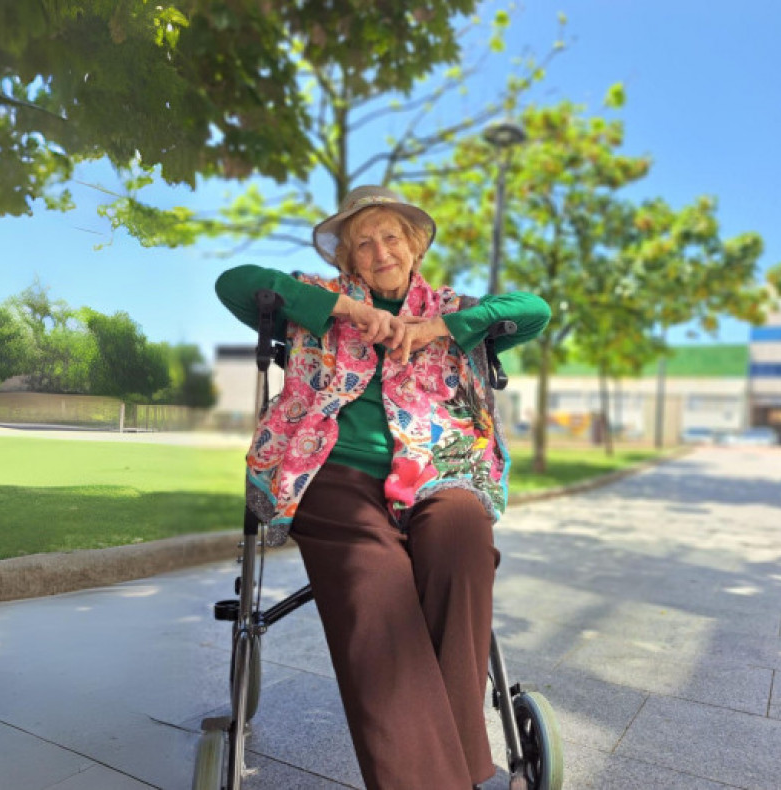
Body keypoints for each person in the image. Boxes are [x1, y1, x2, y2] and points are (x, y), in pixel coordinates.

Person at [215, 185, 550, 790]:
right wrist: (349, 313)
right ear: (346, 259)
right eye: (362, 242)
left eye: (391, 236)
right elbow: (236, 282)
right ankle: (450, 779)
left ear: (415, 245)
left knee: (463, 537)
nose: (380, 250)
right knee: (375, 584)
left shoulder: (453, 306)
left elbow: (534, 309)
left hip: (440, 469)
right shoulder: (316, 299)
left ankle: (443, 769)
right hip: (332, 469)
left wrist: (440, 329)